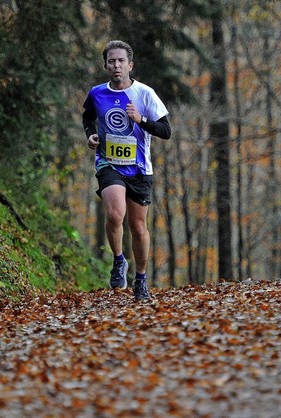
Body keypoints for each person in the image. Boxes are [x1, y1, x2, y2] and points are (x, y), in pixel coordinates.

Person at [82, 40, 171, 300]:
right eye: (112, 61)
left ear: (130, 65)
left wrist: (140, 119)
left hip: (140, 168)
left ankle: (141, 279)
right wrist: (90, 135)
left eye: (121, 61)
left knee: (138, 226)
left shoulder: (145, 94)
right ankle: (119, 260)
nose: (116, 65)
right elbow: (87, 117)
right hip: (109, 163)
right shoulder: (97, 93)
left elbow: (166, 131)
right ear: (106, 65)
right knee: (114, 214)